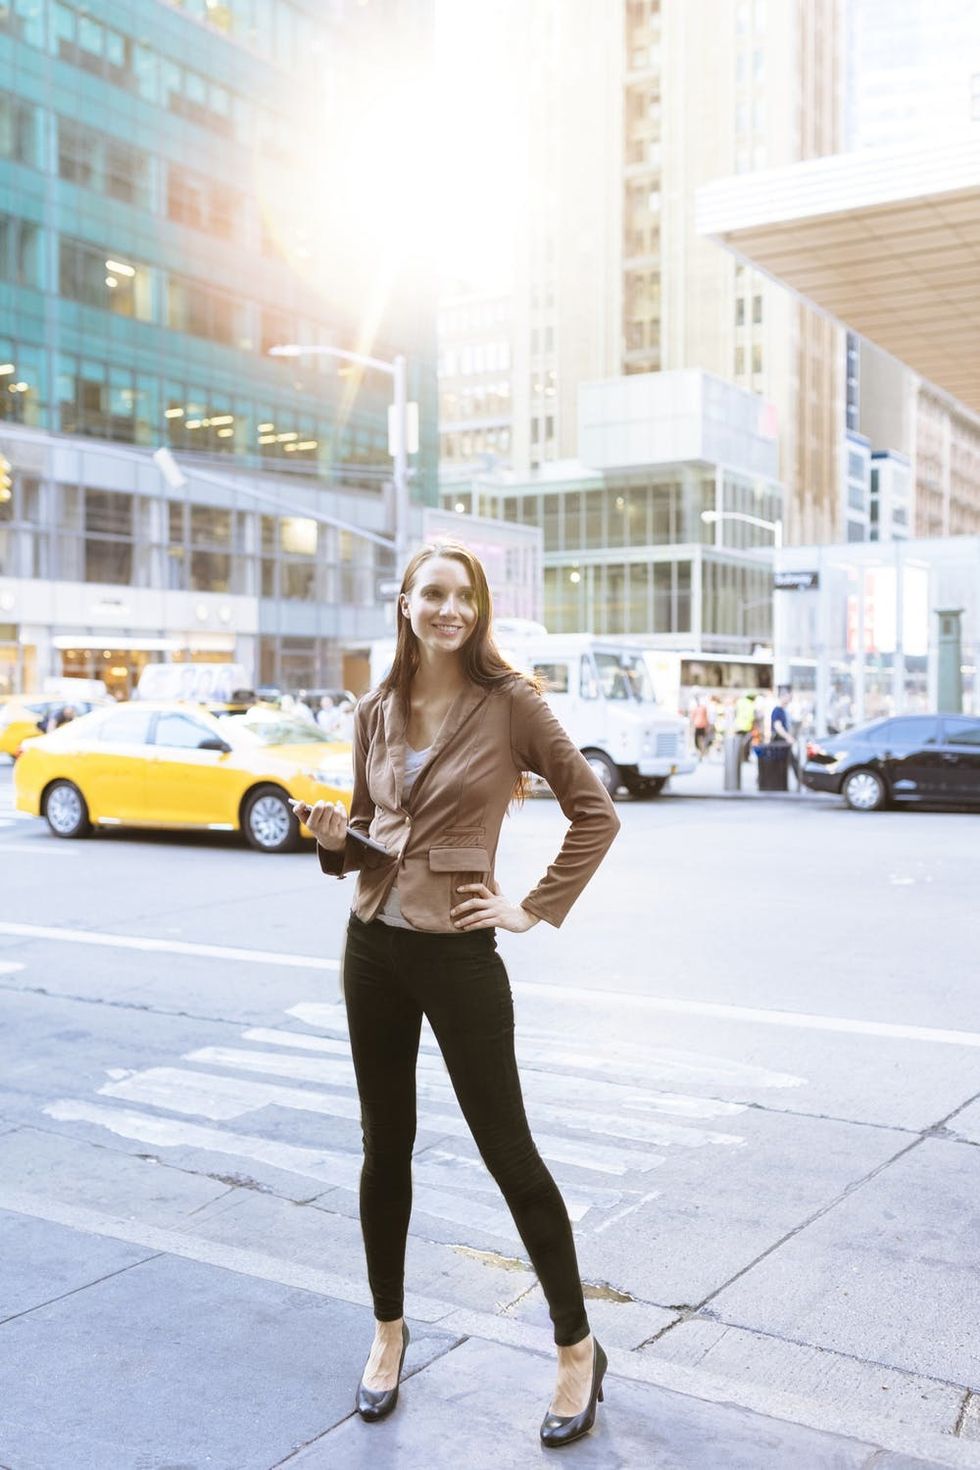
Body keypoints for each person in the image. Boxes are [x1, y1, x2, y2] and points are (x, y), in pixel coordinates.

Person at [306, 540, 620, 1448]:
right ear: (404, 605)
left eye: (465, 597)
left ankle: (576, 1349)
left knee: (509, 1155)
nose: (451, 609)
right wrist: (334, 836)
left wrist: (532, 908)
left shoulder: (510, 704)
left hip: (459, 954)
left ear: (477, 611)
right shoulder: (375, 708)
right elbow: (369, 834)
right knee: (384, 1150)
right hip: (372, 951)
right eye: (433, 594)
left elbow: (594, 811)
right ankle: (388, 1331)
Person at [770, 686, 800, 785]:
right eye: (789, 696)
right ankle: (801, 782)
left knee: (780, 763)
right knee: (791, 762)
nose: (790, 698)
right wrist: (788, 737)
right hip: (779, 740)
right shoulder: (778, 710)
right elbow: (777, 726)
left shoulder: (783, 710)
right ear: (783, 696)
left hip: (781, 741)